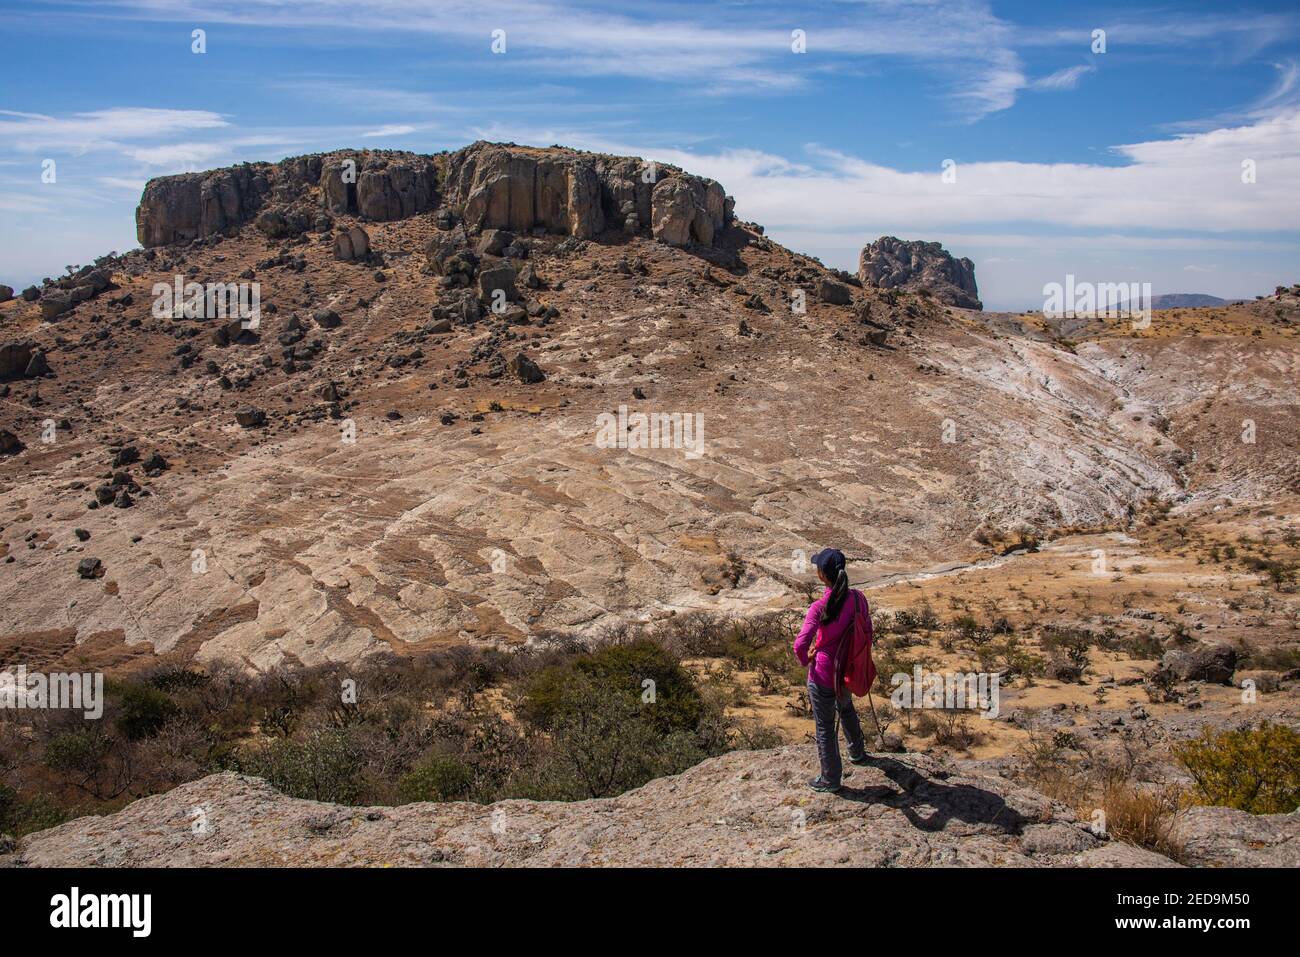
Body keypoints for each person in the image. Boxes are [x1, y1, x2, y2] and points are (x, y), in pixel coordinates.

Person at [793, 547, 870, 792]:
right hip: (848, 668)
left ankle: (830, 779)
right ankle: (857, 751)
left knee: (825, 726)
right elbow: (866, 631)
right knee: (846, 706)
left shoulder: (819, 606)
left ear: (822, 575)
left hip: (823, 672)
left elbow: (800, 644)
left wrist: (806, 660)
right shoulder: (858, 598)